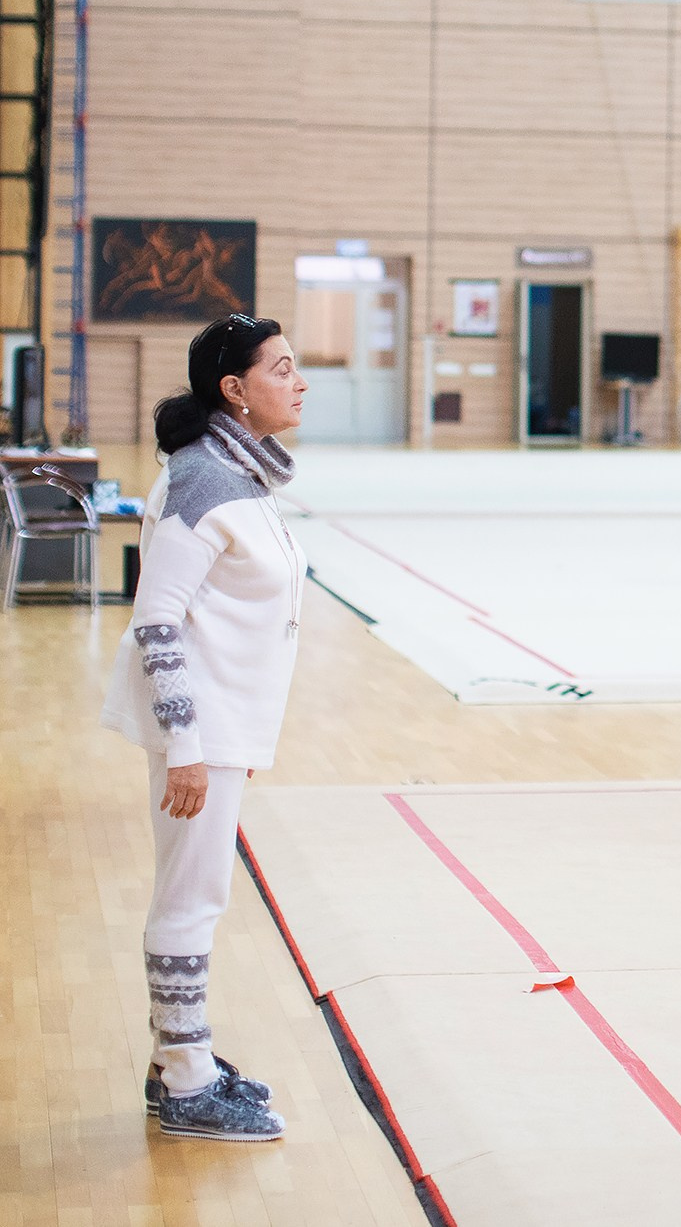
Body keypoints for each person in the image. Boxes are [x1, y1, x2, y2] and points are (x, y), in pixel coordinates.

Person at [100, 313, 309, 1141]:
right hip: (199, 728)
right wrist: (187, 748)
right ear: (235, 389)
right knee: (191, 899)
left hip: (224, 728)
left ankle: (175, 1062)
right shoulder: (203, 481)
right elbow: (157, 622)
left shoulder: (237, 472)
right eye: (281, 368)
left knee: (196, 892)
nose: (298, 382)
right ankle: (187, 1084)